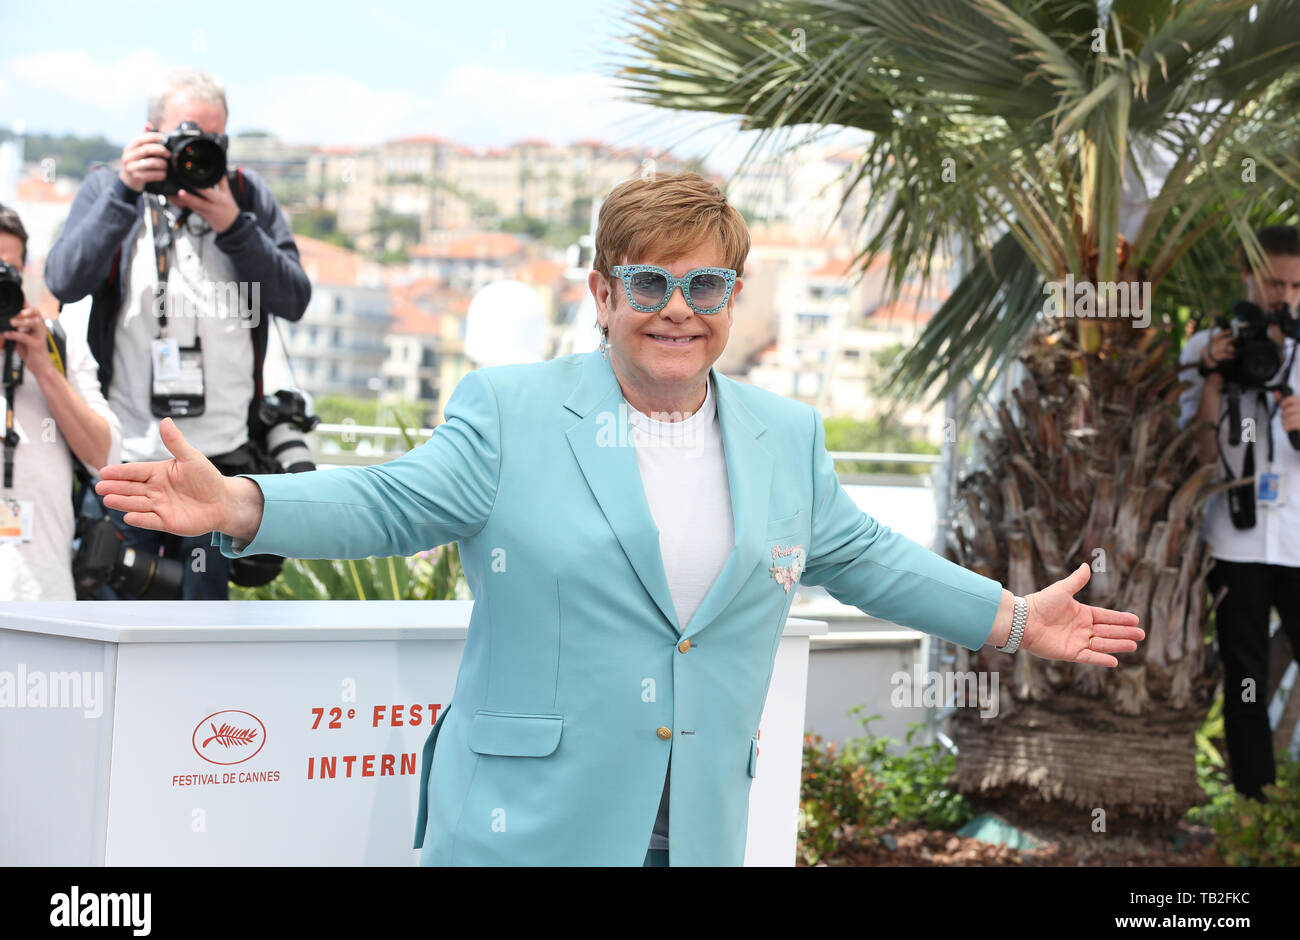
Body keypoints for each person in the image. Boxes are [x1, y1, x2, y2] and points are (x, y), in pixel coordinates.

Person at [97, 172, 1144, 866]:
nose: (676, 306)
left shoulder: (787, 434)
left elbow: (865, 556)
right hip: (528, 824)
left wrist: (1013, 618)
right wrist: (241, 501)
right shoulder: (509, 410)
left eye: (704, 282)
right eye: (648, 280)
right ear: (602, 290)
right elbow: (390, 499)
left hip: (691, 823)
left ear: (733, 295)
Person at [44, 68, 311, 600]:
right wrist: (125, 190)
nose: (198, 153)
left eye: (213, 140)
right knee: (114, 623)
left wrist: (236, 227)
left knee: (198, 638)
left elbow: (293, 299)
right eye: (185, 136)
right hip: (129, 461)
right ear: (150, 133)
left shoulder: (245, 196)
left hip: (221, 467)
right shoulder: (112, 188)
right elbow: (63, 281)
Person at [1178, 225, 1300, 801]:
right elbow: (1195, 456)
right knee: (1245, 682)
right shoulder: (1204, 347)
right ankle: (1256, 809)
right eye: (1275, 282)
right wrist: (1211, 378)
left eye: (1298, 285)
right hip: (1235, 541)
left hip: (1298, 540)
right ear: (1247, 273)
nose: (1286, 297)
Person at [0, 204, 122, 600]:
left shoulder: (57, 349)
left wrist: (44, 370)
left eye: (6, 271)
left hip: (43, 595)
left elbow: (105, 458)